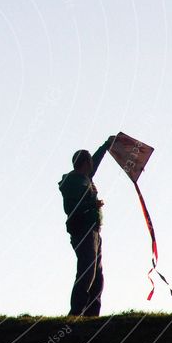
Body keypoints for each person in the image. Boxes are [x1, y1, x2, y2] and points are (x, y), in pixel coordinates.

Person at [58, 135, 116, 317]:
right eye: (90, 161)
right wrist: (92, 205)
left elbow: (96, 161)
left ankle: (92, 315)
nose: (93, 164)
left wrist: (106, 145)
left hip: (94, 231)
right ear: (84, 163)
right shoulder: (73, 181)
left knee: (97, 275)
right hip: (82, 231)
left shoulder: (85, 177)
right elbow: (71, 208)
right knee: (87, 271)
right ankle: (76, 312)